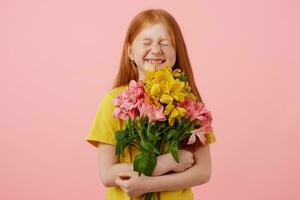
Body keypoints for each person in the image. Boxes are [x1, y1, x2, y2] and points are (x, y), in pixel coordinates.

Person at [86, 9, 216, 200]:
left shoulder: (188, 103)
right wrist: (163, 163)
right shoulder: (114, 102)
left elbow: (203, 171)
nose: (156, 50)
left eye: (165, 43)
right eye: (146, 43)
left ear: (176, 52)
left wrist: (146, 184)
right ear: (130, 51)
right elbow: (107, 174)